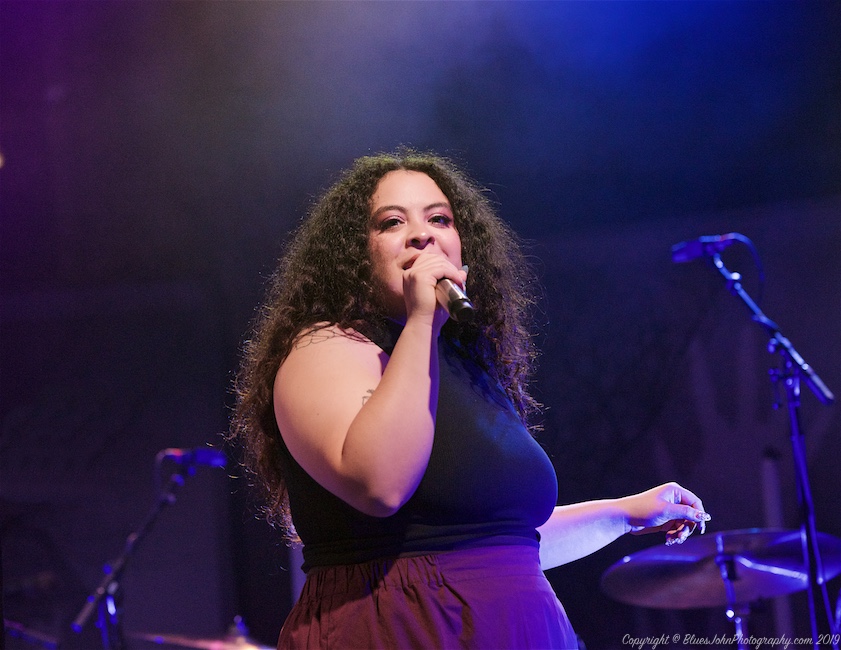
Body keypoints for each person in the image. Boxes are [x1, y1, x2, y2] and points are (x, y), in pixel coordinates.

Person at [229, 149, 710, 649]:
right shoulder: (324, 348)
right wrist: (422, 321)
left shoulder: (459, 364)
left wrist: (627, 513)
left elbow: (503, 546)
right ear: (353, 253)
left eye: (439, 219)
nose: (422, 235)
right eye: (392, 222)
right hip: (401, 627)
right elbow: (379, 485)